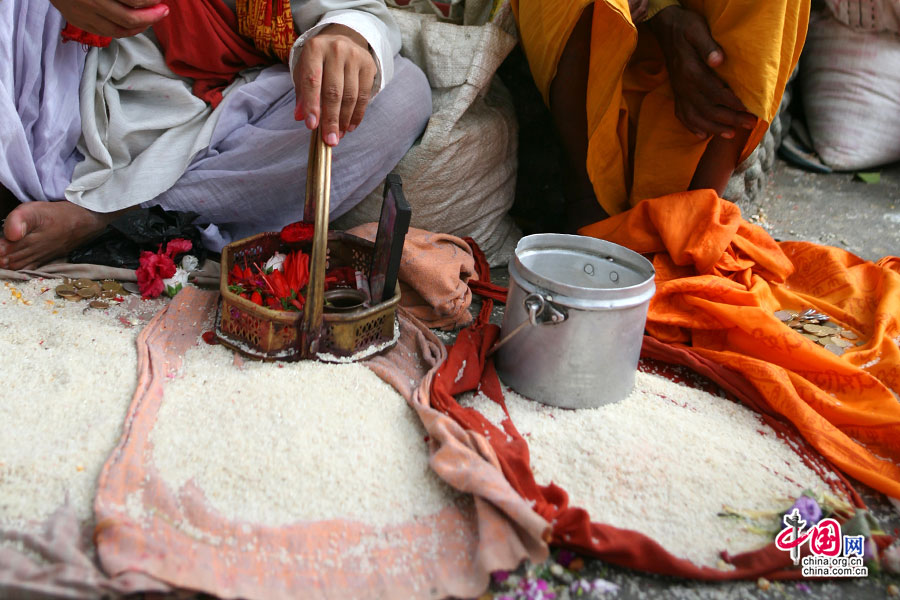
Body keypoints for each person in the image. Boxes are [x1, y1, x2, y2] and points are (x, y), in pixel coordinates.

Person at [0, 0, 432, 270]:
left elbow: (351, 12)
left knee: (399, 93)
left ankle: (110, 217)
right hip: (56, 72)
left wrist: (345, 38)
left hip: (210, 120)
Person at [510, 0, 809, 232]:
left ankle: (696, 216)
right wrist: (662, 13)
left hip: (696, 64)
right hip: (600, 39)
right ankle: (588, 205)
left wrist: (663, 9)